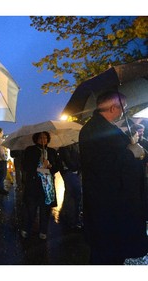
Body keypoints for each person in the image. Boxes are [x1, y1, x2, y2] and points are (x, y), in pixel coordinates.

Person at [79, 90, 148, 265]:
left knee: (111, 252)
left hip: (113, 205)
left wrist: (131, 144)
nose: (124, 111)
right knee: (106, 255)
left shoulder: (104, 127)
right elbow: (101, 166)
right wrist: (130, 153)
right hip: (108, 207)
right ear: (113, 108)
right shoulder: (95, 129)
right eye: (123, 108)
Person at [20, 131, 61, 240]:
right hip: (34, 185)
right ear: (36, 139)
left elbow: (57, 167)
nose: (43, 140)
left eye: (45, 138)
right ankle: (26, 229)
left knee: (45, 210)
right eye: (40, 138)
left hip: (47, 187)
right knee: (31, 209)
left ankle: (43, 231)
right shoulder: (30, 150)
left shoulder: (52, 151)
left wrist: (50, 165)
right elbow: (24, 166)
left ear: (48, 139)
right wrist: (38, 167)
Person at [58, 143, 83, 229]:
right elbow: (69, 162)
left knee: (72, 195)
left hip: (74, 172)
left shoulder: (74, 145)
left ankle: (71, 217)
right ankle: (72, 220)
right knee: (74, 195)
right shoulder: (64, 147)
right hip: (70, 172)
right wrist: (76, 168)